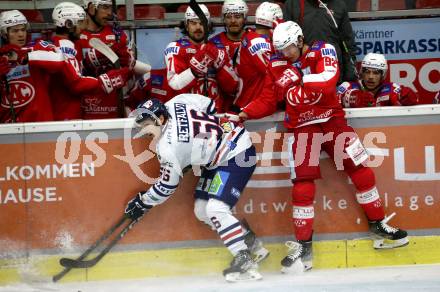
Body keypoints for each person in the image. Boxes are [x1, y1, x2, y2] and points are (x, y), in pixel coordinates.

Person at [238, 21, 409, 274]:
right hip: (301, 127)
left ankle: (377, 224)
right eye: (280, 49)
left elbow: (328, 80)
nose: (284, 54)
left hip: (331, 119)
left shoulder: (323, 50)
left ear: (299, 40)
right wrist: (244, 113)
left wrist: (299, 79)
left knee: (361, 169)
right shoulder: (275, 64)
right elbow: (267, 99)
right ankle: (304, 246)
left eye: (288, 49)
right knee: (302, 187)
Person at [124, 95, 268, 282]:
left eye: (147, 124)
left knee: (215, 209)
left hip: (236, 153)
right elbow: (209, 105)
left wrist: (144, 202)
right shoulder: (176, 102)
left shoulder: (167, 147)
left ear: (160, 119)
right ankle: (250, 241)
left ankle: (244, 257)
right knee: (202, 210)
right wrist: (202, 144)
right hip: (221, 151)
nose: (144, 130)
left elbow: (167, 186)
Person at [0, 9, 131, 123]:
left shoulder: (37, 47)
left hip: (40, 125)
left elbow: (59, 61)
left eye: (23, 30)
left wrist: (25, 56)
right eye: (15, 31)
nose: (21, 34)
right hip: (8, 127)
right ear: (4, 34)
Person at [164, 5, 239, 113]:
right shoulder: (175, 48)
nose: (198, 27)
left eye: (202, 23)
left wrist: (220, 65)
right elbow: (174, 85)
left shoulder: (219, 48)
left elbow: (233, 88)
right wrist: (195, 69)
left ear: (208, 25)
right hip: (187, 116)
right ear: (186, 25)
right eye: (193, 23)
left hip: (216, 115)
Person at [77, 0, 135, 119]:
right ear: (91, 7)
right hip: (84, 106)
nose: (110, 13)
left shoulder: (118, 34)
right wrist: (89, 62)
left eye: (111, 8)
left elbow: (130, 71)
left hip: (113, 105)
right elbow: (70, 76)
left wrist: (127, 64)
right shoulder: (76, 34)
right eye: (105, 7)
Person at [283, 0, 357, 83]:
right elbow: (284, 41)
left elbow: (348, 42)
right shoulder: (293, 4)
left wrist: (350, 77)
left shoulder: (339, 4)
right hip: (303, 73)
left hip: (332, 72)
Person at [233, 1, 283, 110]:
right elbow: (275, 73)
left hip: (253, 105)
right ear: (274, 22)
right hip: (249, 106)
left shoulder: (253, 37)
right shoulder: (259, 43)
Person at [338, 53, 419, 108]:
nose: (370, 77)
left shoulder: (391, 89)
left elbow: (410, 99)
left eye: (376, 73)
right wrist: (351, 98)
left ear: (383, 75)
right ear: (362, 73)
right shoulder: (348, 86)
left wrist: (409, 99)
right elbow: (333, 101)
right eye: (367, 72)